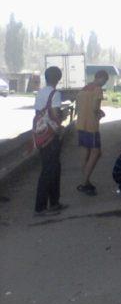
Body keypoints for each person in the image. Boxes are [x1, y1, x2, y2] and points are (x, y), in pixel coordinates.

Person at [34, 66, 68, 216]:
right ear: (58, 79)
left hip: (41, 134)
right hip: (51, 136)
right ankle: (40, 208)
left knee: (54, 168)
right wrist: (61, 120)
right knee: (49, 171)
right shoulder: (55, 93)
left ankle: (54, 202)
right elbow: (54, 114)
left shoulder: (40, 92)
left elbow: (38, 113)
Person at [75, 70, 108, 196]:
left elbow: (78, 108)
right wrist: (100, 113)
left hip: (81, 125)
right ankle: (84, 183)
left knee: (86, 153)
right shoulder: (98, 89)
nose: (104, 83)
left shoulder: (83, 89)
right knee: (96, 153)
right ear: (100, 77)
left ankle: (86, 180)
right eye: (104, 80)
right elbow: (95, 108)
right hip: (91, 126)